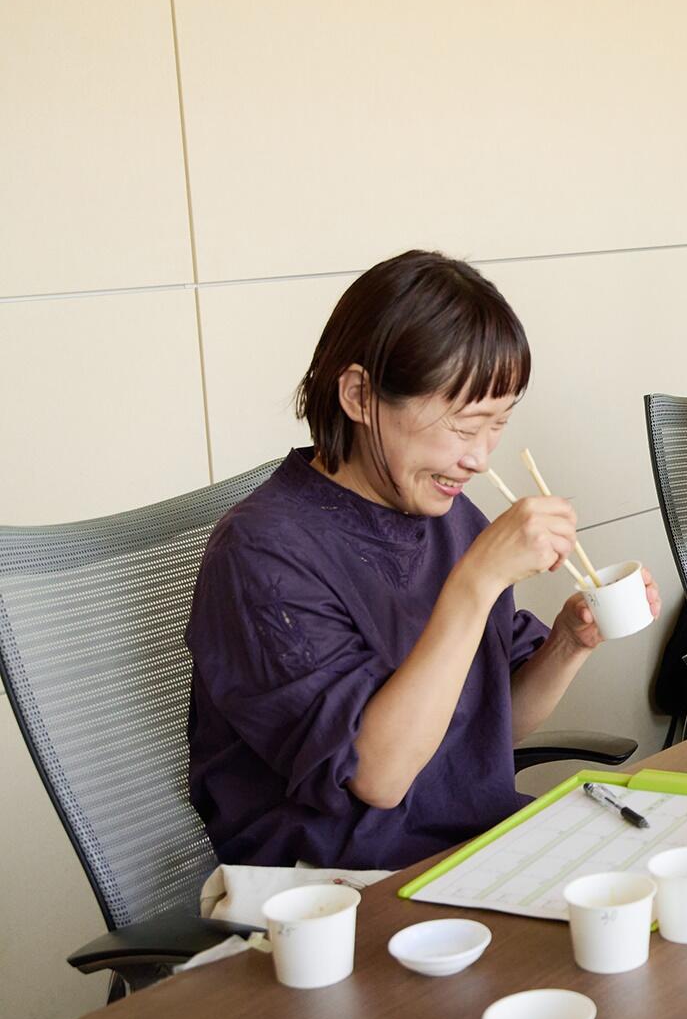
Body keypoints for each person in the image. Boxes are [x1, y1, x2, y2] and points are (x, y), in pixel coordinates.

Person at [186, 250, 659, 870]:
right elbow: (377, 778)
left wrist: (569, 643)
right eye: (464, 428)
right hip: (342, 890)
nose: (481, 459)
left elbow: (494, 728)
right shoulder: (262, 557)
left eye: (497, 426)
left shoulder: (449, 515)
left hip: (473, 853)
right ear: (359, 395)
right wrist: (476, 581)